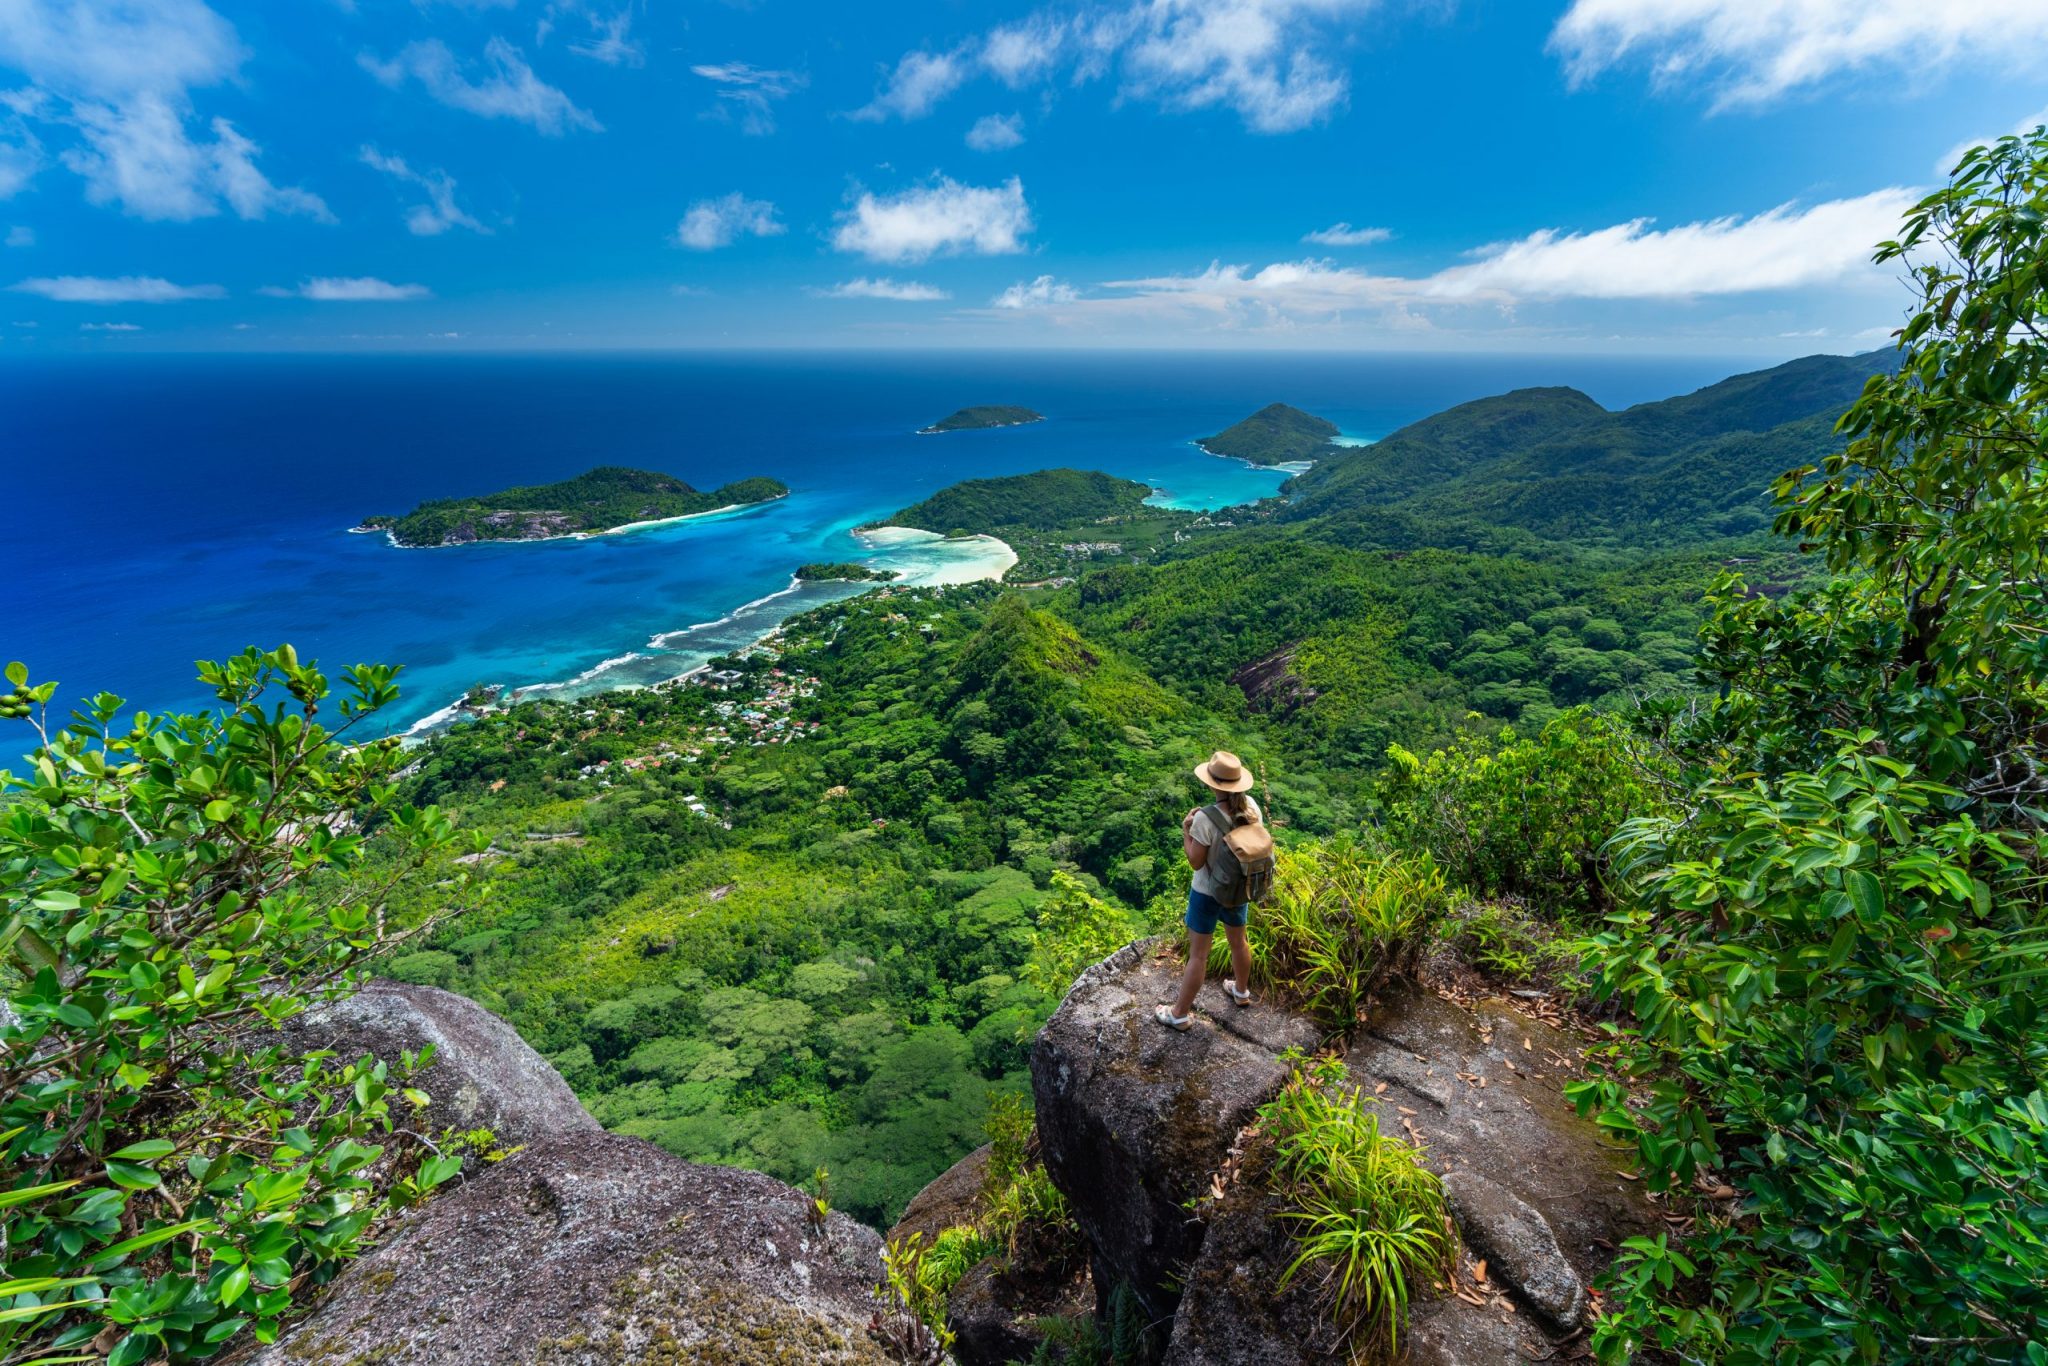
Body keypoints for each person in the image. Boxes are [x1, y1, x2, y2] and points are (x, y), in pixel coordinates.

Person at [1156, 749, 1261, 1031]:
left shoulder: (1204, 818)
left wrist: (1186, 831)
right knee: (1239, 941)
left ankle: (1178, 1013)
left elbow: (1195, 861)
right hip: (1239, 888)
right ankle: (1241, 991)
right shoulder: (1251, 807)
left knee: (1199, 955)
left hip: (1206, 893)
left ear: (1211, 784)